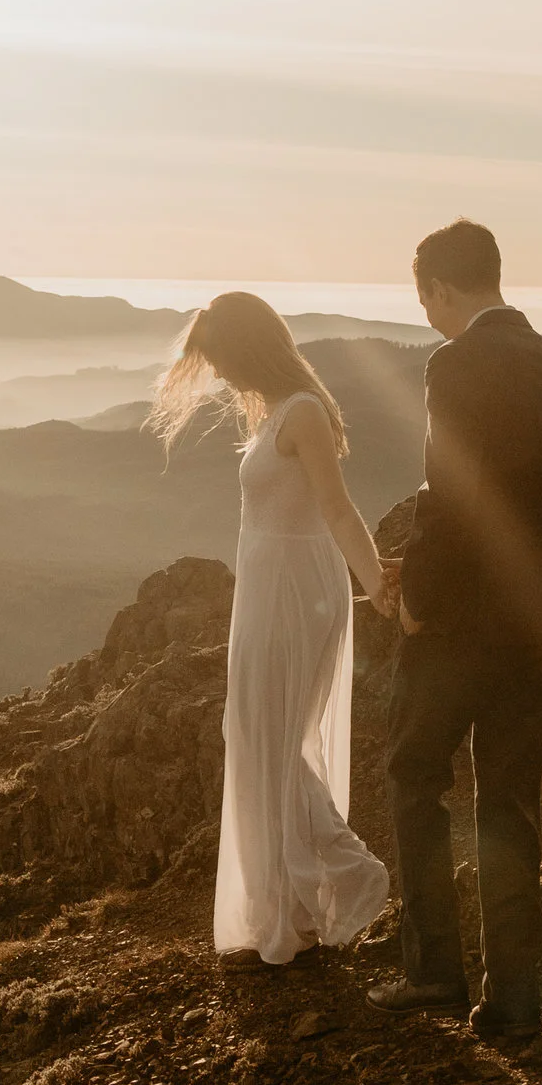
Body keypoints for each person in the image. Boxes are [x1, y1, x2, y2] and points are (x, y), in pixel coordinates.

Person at [369, 220, 542, 1041]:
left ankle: (433, 970)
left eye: (422, 295)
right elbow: (534, 498)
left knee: (414, 773)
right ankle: (514, 999)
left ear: (440, 289)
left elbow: (453, 494)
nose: (424, 310)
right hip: (538, 619)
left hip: (462, 622)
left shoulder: (456, 364)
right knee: (508, 803)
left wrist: (417, 593)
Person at [150, 291, 394, 969]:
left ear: (250, 347)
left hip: (297, 593)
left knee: (274, 744)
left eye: (223, 357)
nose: (221, 373)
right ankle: (287, 911)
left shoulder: (304, 413)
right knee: (255, 737)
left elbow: (337, 510)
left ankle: (348, 875)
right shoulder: (272, 414)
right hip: (265, 593)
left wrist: (374, 582)